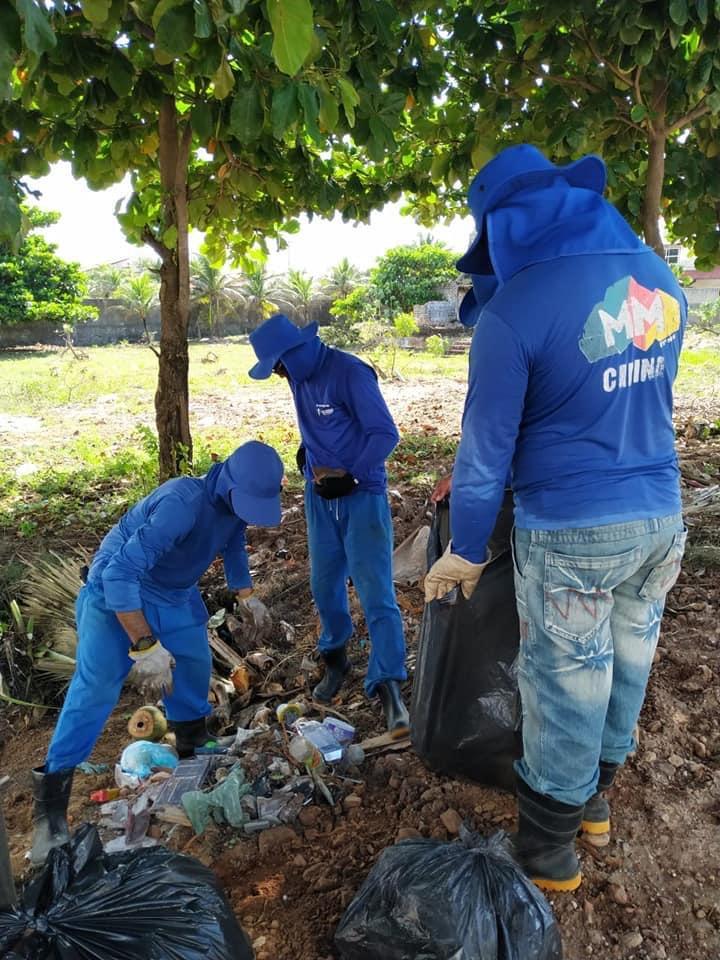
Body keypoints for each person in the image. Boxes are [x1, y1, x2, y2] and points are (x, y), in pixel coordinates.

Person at [424, 145, 687, 892]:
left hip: (573, 529)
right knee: (626, 664)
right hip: (661, 519)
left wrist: (466, 550)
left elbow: (483, 456)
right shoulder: (662, 282)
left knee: (566, 680)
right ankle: (594, 804)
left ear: (502, 226)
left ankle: (546, 852)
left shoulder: (514, 312)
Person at [30, 441, 284, 865]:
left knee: (193, 661)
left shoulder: (232, 504)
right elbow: (119, 574)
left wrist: (246, 595)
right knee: (96, 687)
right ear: (229, 482)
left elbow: (234, 542)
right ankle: (50, 806)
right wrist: (144, 645)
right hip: (115, 592)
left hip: (172, 593)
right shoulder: (180, 505)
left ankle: (191, 742)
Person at [248, 314, 409, 737]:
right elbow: (323, 428)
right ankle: (336, 659)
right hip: (321, 498)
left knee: (375, 591)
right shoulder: (298, 378)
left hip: (361, 496)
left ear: (296, 351)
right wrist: (307, 454)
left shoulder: (350, 374)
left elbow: (385, 434)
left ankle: (389, 682)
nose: (278, 374)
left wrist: (352, 475)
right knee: (324, 585)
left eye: (279, 365)